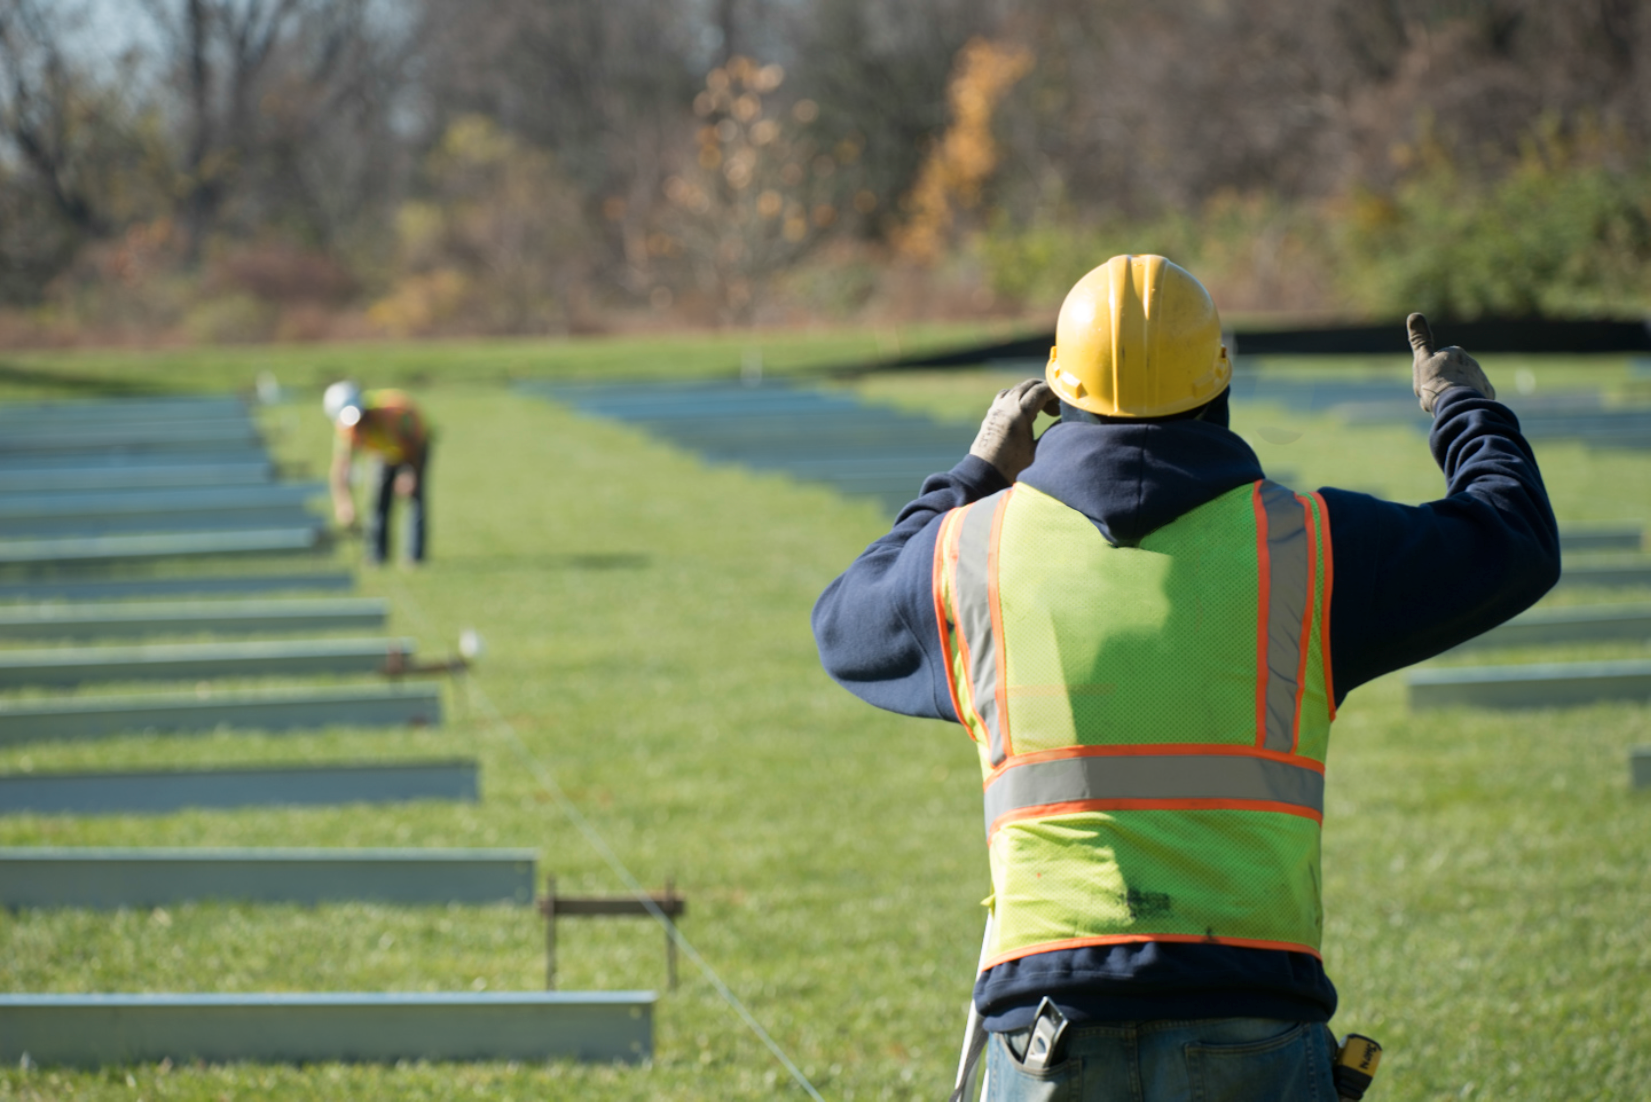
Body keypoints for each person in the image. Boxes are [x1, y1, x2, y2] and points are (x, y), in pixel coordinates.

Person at [810, 255, 1560, 1100]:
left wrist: (977, 472)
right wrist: (1463, 408)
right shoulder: (1311, 548)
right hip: (1250, 1011)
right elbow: (1511, 537)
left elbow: (844, 621)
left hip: (1045, 1027)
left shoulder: (970, 552)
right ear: (1218, 388)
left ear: (1063, 394)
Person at [323, 381, 432, 564]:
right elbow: (341, 468)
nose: (357, 426)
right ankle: (377, 556)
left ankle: (414, 557)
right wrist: (344, 504)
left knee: (415, 500)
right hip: (383, 452)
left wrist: (410, 475)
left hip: (412, 448)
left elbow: (415, 444)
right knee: (379, 502)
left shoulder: (394, 412)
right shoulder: (346, 429)